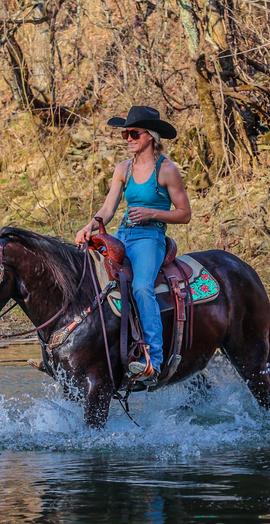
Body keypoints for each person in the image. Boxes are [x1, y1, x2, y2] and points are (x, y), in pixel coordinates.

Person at [75, 106, 191, 383]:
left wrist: (152, 213)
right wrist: (91, 225)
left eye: (133, 133)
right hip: (123, 233)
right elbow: (108, 207)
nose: (128, 138)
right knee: (93, 284)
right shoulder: (123, 169)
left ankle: (155, 359)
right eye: (125, 133)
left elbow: (185, 214)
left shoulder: (167, 170)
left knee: (140, 287)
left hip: (150, 237)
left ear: (150, 136)